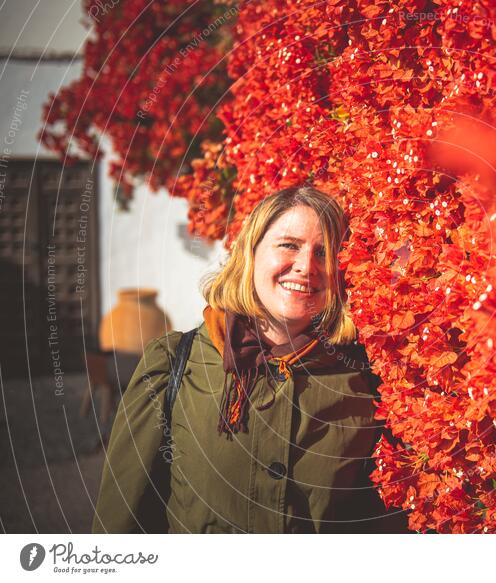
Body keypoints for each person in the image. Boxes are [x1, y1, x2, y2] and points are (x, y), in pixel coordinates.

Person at [92, 185, 407, 533]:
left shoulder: (365, 381)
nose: (306, 267)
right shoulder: (173, 364)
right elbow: (119, 524)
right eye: (289, 245)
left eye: (324, 253)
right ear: (251, 253)